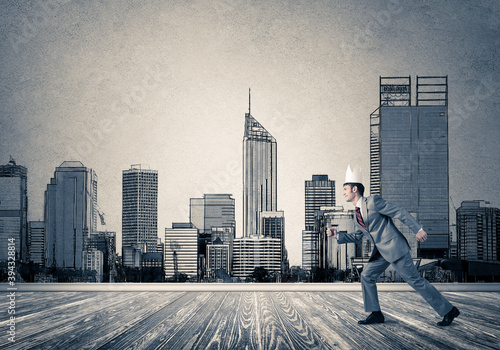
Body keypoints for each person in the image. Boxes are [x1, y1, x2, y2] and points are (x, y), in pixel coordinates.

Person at [326, 165, 460, 327]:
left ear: (355, 189)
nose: (343, 192)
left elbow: (399, 211)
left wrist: (417, 229)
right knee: (366, 276)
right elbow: (358, 236)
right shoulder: (356, 216)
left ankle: (448, 310)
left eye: (345, 188)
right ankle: (376, 313)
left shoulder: (373, 201)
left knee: (415, 281)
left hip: (395, 248)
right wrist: (337, 235)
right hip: (381, 252)